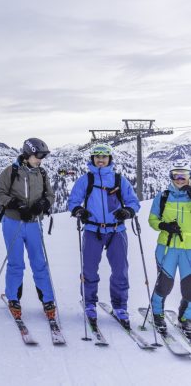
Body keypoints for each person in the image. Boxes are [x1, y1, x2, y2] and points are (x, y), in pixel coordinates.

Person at [67, 143, 140, 326]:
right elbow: (73, 200)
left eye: (104, 157)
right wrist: (78, 210)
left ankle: (120, 306)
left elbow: (133, 201)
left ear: (109, 159)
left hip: (117, 231)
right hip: (93, 230)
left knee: (120, 271)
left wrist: (128, 212)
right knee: (90, 270)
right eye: (97, 157)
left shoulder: (119, 180)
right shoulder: (86, 180)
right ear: (93, 159)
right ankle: (90, 303)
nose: (100, 160)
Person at [0, 138, 56, 321]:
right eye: (38, 156)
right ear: (28, 153)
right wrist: (15, 204)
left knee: (39, 262)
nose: (40, 160)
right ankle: (13, 298)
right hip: (13, 223)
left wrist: (43, 204)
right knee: (16, 263)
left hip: (34, 223)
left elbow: (50, 195)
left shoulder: (42, 173)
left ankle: (48, 300)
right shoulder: (11, 171)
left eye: (43, 157)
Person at [147, 161, 191, 334]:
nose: (179, 179)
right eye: (176, 175)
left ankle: (185, 317)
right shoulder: (163, 196)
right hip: (167, 247)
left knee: (190, 287)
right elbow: (152, 220)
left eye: (183, 175)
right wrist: (164, 226)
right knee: (164, 284)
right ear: (171, 177)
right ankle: (157, 314)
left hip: (189, 249)